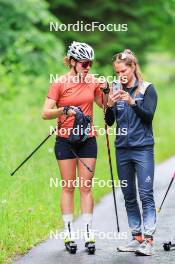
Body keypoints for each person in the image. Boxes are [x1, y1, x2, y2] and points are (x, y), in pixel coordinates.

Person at [42, 41, 109, 253]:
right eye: (83, 63)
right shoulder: (59, 83)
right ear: (72, 62)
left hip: (88, 138)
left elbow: (105, 107)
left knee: (86, 186)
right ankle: (69, 233)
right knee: (68, 186)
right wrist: (65, 110)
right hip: (65, 140)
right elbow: (45, 113)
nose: (88, 66)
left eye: (90, 63)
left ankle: (89, 234)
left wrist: (106, 91)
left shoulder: (92, 82)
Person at [105, 49, 158, 256]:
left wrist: (132, 102)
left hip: (143, 149)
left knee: (145, 194)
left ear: (133, 66)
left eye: (123, 71)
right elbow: (109, 122)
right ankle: (136, 237)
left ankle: (149, 240)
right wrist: (109, 105)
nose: (120, 76)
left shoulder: (147, 89)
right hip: (122, 150)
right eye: (117, 72)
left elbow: (148, 117)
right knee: (128, 195)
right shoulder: (115, 89)